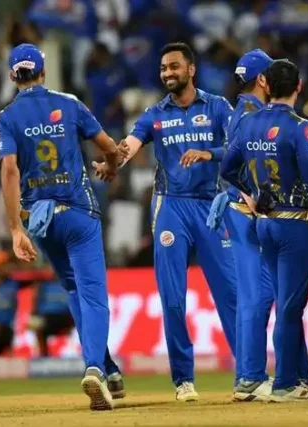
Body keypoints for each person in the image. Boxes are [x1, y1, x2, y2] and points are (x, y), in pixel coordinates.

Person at [95, 42, 238, 402]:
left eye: (174, 66)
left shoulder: (218, 107)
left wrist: (209, 153)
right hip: (170, 207)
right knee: (173, 298)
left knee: (231, 295)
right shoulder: (154, 114)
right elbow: (129, 146)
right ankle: (183, 380)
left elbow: (240, 150)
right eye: (163, 68)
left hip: (211, 206)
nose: (167, 73)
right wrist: (112, 161)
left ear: (191, 69)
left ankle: (249, 374)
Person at [186, 49, 308, 401]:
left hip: (252, 212)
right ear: (263, 80)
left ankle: (298, 374)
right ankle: (249, 376)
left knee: (280, 295)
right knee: (260, 296)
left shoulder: (245, 111)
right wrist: (250, 193)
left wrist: (211, 154)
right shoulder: (254, 113)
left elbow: (235, 152)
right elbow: (243, 159)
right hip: (250, 213)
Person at [0, 43, 124, 410]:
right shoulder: (68, 103)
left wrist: (15, 230)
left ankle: (108, 368)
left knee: (73, 290)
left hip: (41, 220)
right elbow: (109, 146)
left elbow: (9, 170)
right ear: (43, 72)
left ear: (12, 77)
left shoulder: (5, 117)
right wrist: (111, 166)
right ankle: (95, 367)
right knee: (93, 295)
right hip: (79, 213)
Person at [220, 59, 308, 402]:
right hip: (296, 223)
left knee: (286, 304)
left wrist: (253, 192)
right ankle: (286, 383)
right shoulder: (298, 126)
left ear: (267, 86)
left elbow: (227, 168)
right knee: (289, 307)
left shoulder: (249, 122)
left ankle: (297, 377)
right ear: (299, 86)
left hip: (265, 224)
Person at [29, 272, 75, 358]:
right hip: (47, 317)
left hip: (64, 316)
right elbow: (36, 306)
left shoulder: (68, 284)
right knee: (37, 326)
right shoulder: (43, 286)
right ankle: (43, 355)